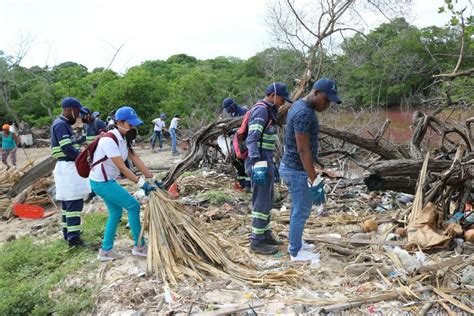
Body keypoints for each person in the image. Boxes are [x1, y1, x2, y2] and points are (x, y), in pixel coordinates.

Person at [279, 78, 341, 261]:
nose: (327, 104)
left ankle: (296, 241)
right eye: (326, 99)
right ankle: (295, 251)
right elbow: (303, 149)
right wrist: (314, 180)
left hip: (293, 167)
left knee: (299, 208)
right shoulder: (303, 113)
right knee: (302, 209)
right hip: (296, 169)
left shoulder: (300, 105)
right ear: (315, 92)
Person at [89, 106, 158, 262]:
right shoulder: (109, 140)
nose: (133, 128)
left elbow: (136, 159)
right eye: (130, 124)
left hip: (106, 181)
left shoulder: (124, 139)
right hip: (101, 182)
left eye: (134, 125)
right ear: (119, 122)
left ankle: (105, 251)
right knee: (133, 206)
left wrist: (152, 178)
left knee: (115, 213)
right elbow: (122, 167)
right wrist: (142, 184)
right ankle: (139, 247)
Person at [245, 82, 293, 255]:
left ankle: (265, 234)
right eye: (281, 99)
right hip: (259, 163)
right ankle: (257, 242)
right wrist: (258, 163)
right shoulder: (261, 111)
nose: (282, 103)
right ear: (272, 95)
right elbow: (251, 139)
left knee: (268, 200)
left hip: (266, 161)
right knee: (261, 201)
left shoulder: (269, 111)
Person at [50, 97, 91, 247]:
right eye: (77, 113)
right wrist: (82, 158)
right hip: (68, 167)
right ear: (69, 110)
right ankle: (74, 239)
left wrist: (81, 142)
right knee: (74, 204)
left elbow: (70, 144)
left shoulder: (62, 124)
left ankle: (68, 233)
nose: (78, 116)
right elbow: (67, 148)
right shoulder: (61, 125)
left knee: (68, 204)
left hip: (65, 167)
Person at [221, 98, 251, 191]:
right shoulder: (231, 114)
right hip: (235, 142)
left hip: (244, 142)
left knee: (244, 162)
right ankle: (241, 183)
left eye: (228, 109)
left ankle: (248, 185)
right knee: (236, 161)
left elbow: (245, 127)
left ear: (232, 106)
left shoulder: (243, 112)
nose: (228, 111)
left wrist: (235, 131)